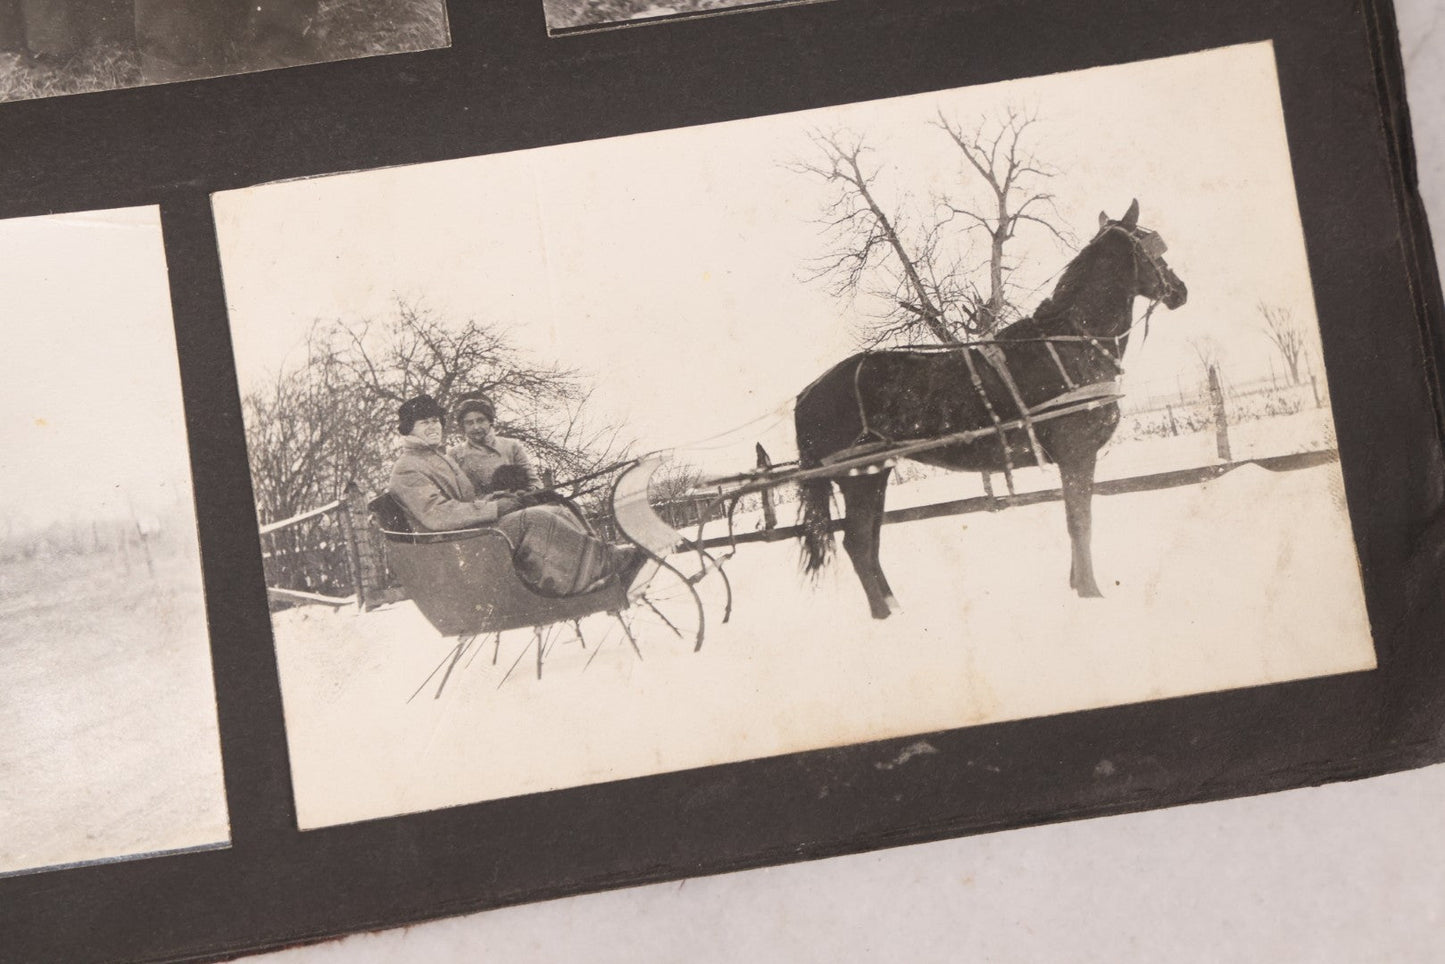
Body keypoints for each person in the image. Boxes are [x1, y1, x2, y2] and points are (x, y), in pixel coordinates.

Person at [387, 394, 641, 597]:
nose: (433, 427)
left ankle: (596, 565)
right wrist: (495, 509)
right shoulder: (408, 467)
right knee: (533, 519)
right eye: (424, 422)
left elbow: (464, 503)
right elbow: (437, 514)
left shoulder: (436, 458)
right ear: (409, 429)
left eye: (435, 420)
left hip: (469, 532)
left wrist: (495, 499)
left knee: (555, 510)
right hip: (455, 544)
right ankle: (600, 565)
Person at [448, 392, 543, 494]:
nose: (476, 427)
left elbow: (534, 482)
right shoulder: (455, 454)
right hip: (480, 508)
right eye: (469, 423)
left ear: (490, 421)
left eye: (480, 420)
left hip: (517, 504)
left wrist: (526, 492)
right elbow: (453, 494)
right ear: (463, 426)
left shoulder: (511, 446)